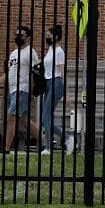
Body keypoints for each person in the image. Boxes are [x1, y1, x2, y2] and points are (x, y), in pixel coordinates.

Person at [4, 24, 39, 152]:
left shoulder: (30, 52)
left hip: (22, 89)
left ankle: (6, 148)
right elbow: (9, 72)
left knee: (11, 117)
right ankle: (44, 142)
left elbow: (36, 73)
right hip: (12, 90)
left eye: (21, 35)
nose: (18, 37)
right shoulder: (14, 53)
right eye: (17, 34)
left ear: (27, 37)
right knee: (24, 121)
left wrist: (34, 92)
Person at [40, 23, 65, 153]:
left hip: (56, 83)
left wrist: (66, 93)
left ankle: (49, 147)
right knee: (45, 117)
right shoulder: (49, 49)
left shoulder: (59, 52)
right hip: (48, 84)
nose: (47, 37)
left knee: (46, 116)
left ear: (55, 37)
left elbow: (61, 72)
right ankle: (66, 138)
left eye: (49, 36)